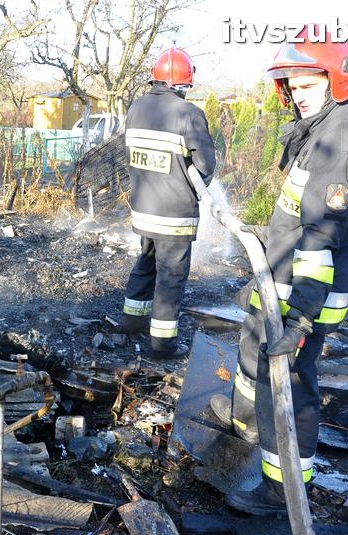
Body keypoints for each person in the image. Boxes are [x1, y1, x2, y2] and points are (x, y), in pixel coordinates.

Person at [210, 26, 348, 515]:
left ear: (337, 81)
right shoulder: (323, 129)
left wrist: (301, 317)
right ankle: (245, 423)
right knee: (250, 342)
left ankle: (283, 487)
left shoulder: (343, 140)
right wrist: (265, 239)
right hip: (280, 275)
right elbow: (299, 214)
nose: (297, 96)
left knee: (290, 380)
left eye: (308, 85)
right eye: (293, 86)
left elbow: (322, 239)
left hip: (306, 291)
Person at [120, 47, 216, 359]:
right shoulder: (188, 114)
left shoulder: (135, 108)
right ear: (183, 85)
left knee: (146, 263)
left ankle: (131, 322)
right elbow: (206, 167)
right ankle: (162, 346)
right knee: (170, 280)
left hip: (144, 211)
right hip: (175, 217)